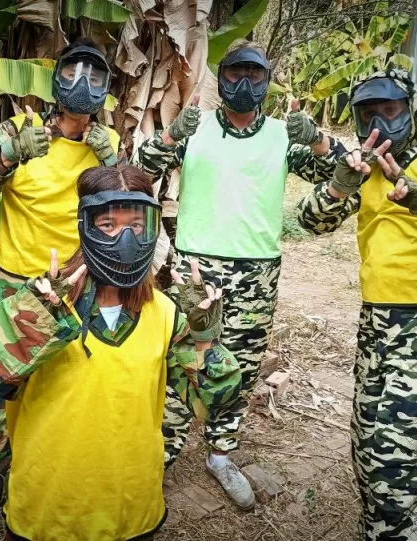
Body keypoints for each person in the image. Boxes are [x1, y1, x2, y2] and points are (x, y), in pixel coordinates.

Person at [0, 165, 242, 540]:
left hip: (130, 508)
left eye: (136, 227)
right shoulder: (41, 306)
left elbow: (213, 404)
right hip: (47, 509)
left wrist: (205, 336)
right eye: (108, 225)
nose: (124, 239)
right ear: (85, 226)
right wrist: (33, 322)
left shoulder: (165, 314)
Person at [134, 40, 346, 509]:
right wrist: (171, 135)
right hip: (196, 267)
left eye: (253, 75)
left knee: (243, 366)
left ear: (266, 81)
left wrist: (316, 137)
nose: (244, 85)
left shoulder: (280, 135)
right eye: (234, 75)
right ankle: (159, 456)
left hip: (257, 271)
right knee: (181, 362)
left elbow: (343, 171)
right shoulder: (195, 129)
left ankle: (221, 454)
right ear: (221, 80)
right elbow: (139, 171)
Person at [297, 68, 417, 539]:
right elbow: (311, 222)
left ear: (413, 108)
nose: (381, 122)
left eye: (392, 110)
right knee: (367, 449)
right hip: (377, 323)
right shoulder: (365, 161)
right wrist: (340, 183)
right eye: (369, 114)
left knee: (396, 461)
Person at [0, 38, 121, 539]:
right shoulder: (18, 130)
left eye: (93, 73)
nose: (81, 83)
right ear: (57, 77)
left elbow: (119, 214)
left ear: (104, 87)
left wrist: (115, 166)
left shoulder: (104, 144)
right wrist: (9, 155)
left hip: (73, 284)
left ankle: (51, 487)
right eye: (73, 71)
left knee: (62, 394)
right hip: (12, 286)